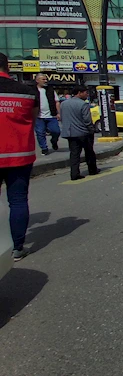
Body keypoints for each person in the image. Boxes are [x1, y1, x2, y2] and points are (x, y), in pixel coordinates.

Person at [0, 52, 37, 261]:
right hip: (19, 154)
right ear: (8, 66)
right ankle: (17, 248)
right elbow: (33, 118)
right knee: (18, 200)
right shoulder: (26, 91)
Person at [60, 86, 98, 181]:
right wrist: (91, 129)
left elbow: (63, 117)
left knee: (74, 154)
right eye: (86, 92)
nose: (87, 95)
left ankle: (74, 173)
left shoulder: (64, 104)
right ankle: (92, 170)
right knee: (89, 152)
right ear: (79, 93)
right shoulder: (83, 104)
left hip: (70, 133)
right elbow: (87, 120)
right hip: (83, 132)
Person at [33, 73, 61, 155]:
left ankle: (54, 141)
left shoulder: (50, 90)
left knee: (56, 131)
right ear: (37, 80)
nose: (45, 81)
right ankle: (44, 148)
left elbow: (57, 102)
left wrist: (58, 113)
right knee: (40, 133)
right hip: (38, 116)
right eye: (43, 79)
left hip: (51, 115)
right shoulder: (32, 90)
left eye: (46, 79)